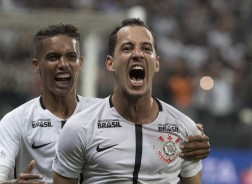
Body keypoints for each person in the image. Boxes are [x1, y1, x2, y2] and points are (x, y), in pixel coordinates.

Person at [0, 23, 209, 184]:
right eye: (54, 57)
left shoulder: (101, 112)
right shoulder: (16, 121)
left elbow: (140, 123)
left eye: (71, 57)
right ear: (36, 65)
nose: (63, 65)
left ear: (80, 63)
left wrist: (190, 134)